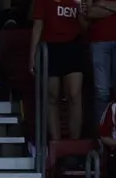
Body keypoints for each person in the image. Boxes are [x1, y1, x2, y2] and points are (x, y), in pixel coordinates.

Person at [30, 0, 86, 143]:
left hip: (73, 46)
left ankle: (75, 143)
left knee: (74, 95)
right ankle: (56, 142)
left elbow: (86, 27)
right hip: (51, 49)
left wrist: (81, 13)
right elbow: (37, 27)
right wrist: (32, 56)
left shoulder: (76, 1)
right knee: (52, 96)